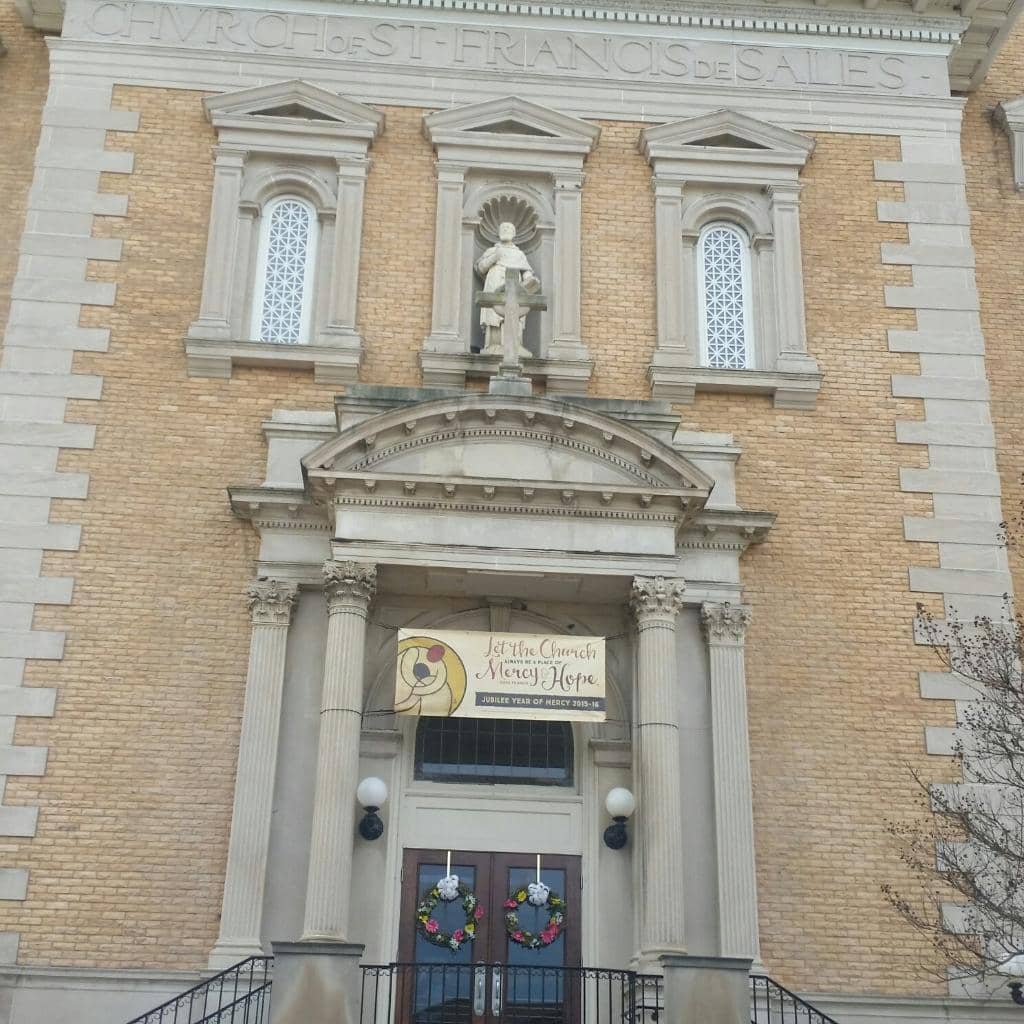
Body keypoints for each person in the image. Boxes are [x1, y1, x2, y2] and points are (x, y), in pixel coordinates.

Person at [475, 221, 541, 356]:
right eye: (503, 228)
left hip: (514, 286)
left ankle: (515, 346)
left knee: (513, 313)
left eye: (509, 228)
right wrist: (495, 257)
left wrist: (532, 281)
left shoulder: (519, 254)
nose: (505, 230)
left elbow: (527, 273)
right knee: (493, 315)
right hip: (494, 285)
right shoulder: (492, 251)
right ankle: (493, 344)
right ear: (498, 232)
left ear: (514, 233)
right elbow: (481, 268)